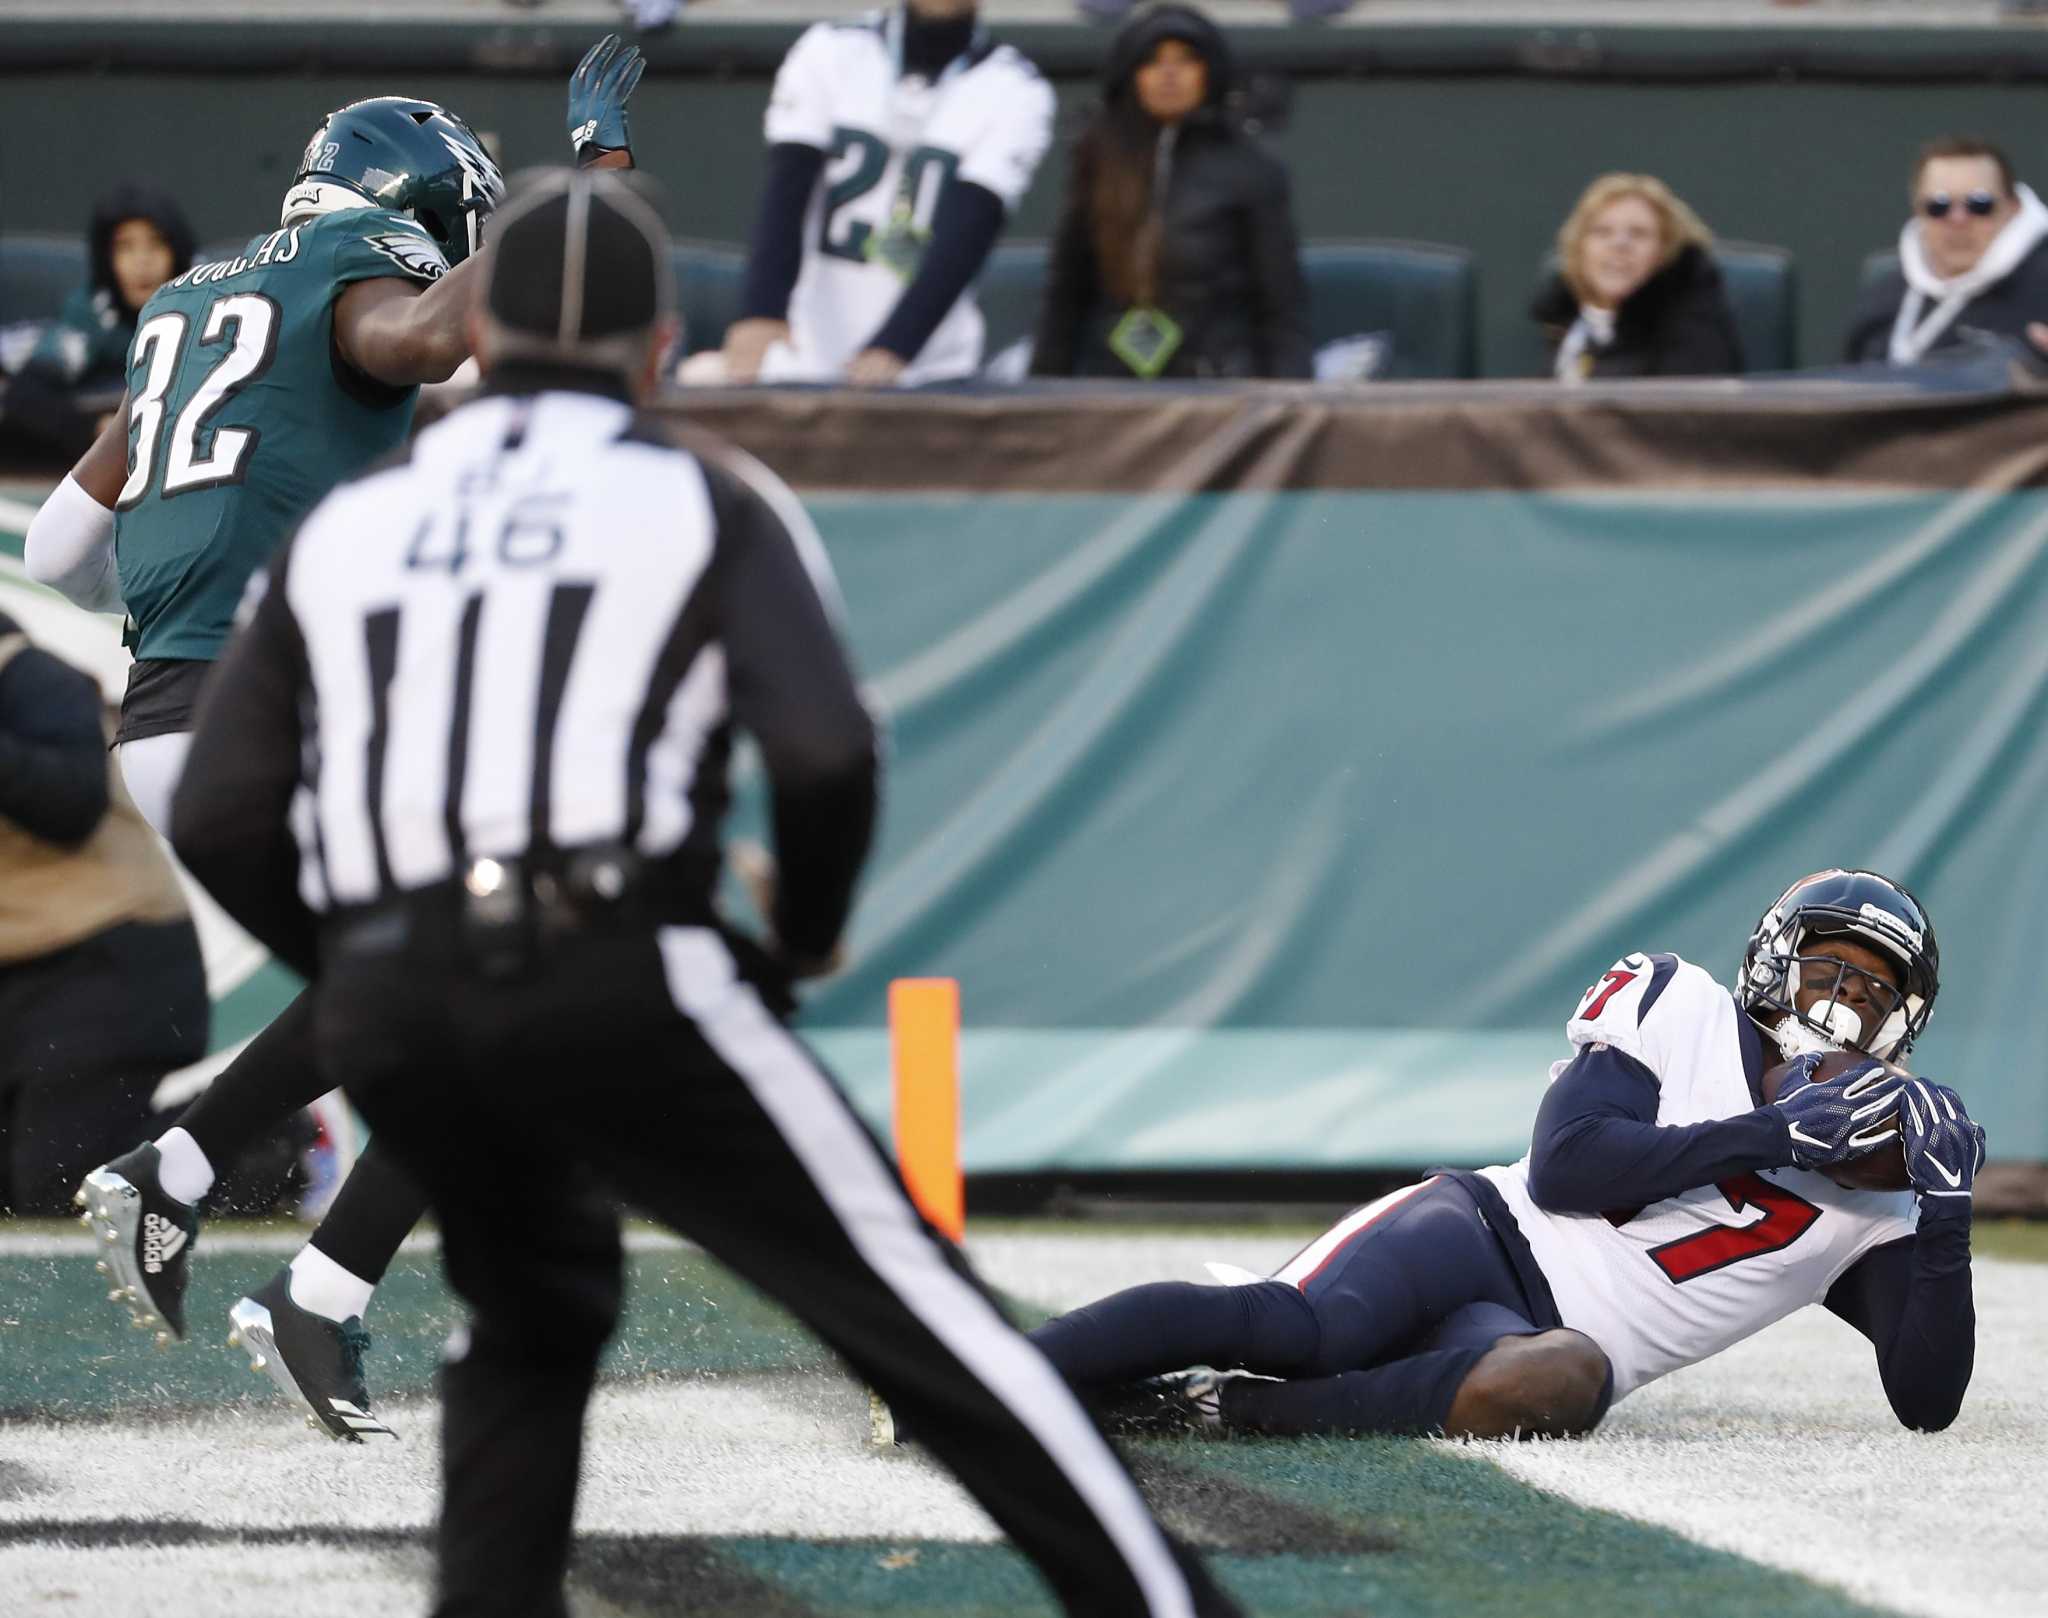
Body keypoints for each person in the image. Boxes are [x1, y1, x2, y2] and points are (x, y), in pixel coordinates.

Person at [169, 164, 1243, 1618]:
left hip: (398, 996)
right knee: (921, 1323)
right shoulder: (702, 494)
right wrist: (793, 940)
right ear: (660, 347)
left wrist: (364, 959)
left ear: (480, 333)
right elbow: (822, 751)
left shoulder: (350, 526)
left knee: (531, 1321)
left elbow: (228, 814)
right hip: (615, 957)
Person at [31, 75, 533, 1437]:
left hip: (169, 722)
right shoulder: (360, 274)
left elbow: (57, 553)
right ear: (419, 207)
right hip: (270, 713)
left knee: (440, 994)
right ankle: (247, 1230)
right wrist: (566, 210)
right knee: (479, 980)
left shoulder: (188, 303)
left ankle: (275, 1253)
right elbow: (434, 338)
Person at [1014, 870, 1981, 1443]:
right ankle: (989, 1377)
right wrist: (1771, 1136)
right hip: (1474, 1233)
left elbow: (1926, 1400)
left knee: (1565, 1384)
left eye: (1876, 986)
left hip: (1525, 1333)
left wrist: (1943, 1212)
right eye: (1832, 966)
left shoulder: (1867, 1205)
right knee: (1302, 1329)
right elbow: (1568, 1166)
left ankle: (1226, 1413)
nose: (1848, 998)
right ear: (1777, 957)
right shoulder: (1676, 1002)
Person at [717, 0, 1054, 386]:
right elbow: (785, 192)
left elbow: (969, 233)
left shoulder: (1017, 87)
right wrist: (762, 310)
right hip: (803, 356)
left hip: (932, 372)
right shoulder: (829, 48)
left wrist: (895, 347)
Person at [0, 612, 206, 1219]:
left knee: (60, 1190)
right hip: (23, 978)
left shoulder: (27, 675)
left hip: (106, 962)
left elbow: (72, 804)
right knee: (21, 1200)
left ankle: (272, 1142)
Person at [1031, 4, 1310, 381]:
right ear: (1131, 76)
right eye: (1152, 61)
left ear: (1209, 73)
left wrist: (1290, 402)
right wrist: (1043, 396)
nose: (1169, 73)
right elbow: (1065, 297)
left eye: (1186, 60)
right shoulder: (1098, 159)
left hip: (1220, 387)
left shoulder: (1250, 169)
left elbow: (1280, 305)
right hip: (1111, 392)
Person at [3, 185, 196, 464]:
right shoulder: (94, 314)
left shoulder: (210, 295)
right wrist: (99, 431)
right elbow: (25, 395)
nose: (142, 261)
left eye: (156, 243)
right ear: (107, 257)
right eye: (125, 247)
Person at [1843, 136, 2048, 366]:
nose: (1958, 219)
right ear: (1917, 211)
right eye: (1938, 206)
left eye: (1979, 204)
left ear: (2013, 208)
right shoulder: (1885, 294)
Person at [1530, 173, 1743, 382]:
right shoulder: (1565, 325)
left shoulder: (1693, 329)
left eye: (1638, 233)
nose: (1619, 244)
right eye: (1602, 232)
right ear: (1579, 248)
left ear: (1666, 251)